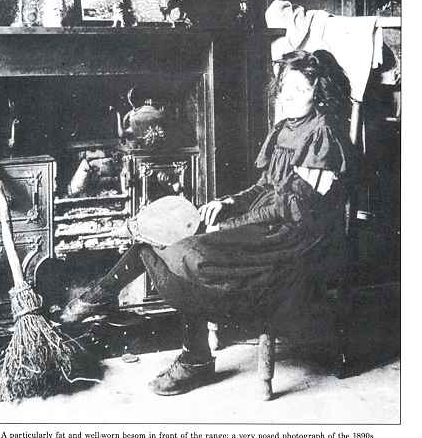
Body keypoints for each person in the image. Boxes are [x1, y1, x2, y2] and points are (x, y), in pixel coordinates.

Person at [60, 50, 353, 396]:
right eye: (285, 87)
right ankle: (108, 303)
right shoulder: (285, 127)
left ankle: (181, 350)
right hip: (268, 222)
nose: (288, 96)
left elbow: (291, 209)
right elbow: (264, 188)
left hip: (292, 239)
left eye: (300, 90)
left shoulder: (322, 134)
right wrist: (227, 203)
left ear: (319, 93)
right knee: (159, 240)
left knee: (187, 253)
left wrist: (231, 226)